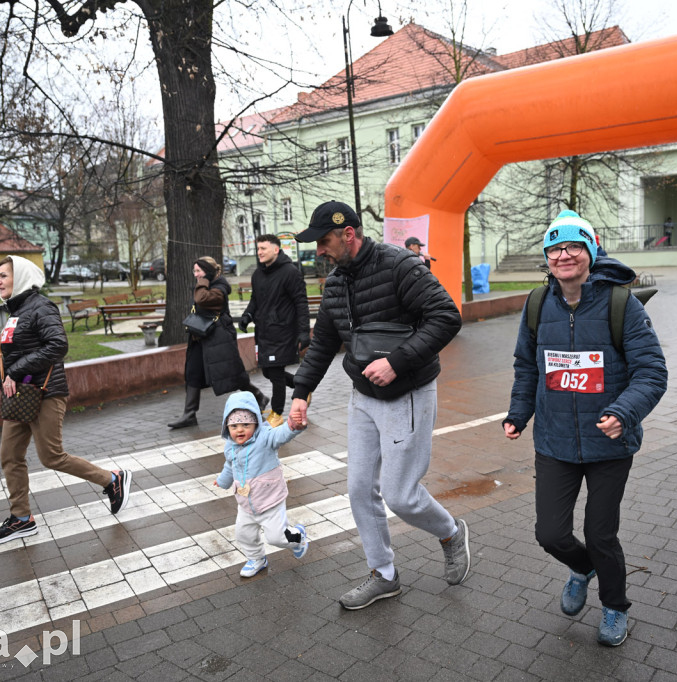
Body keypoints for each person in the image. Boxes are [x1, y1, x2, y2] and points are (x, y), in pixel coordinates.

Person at [288, 200, 471, 610]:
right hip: (363, 398)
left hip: (407, 394)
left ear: (348, 234)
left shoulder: (400, 266)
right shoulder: (335, 284)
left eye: (324, 241)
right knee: (357, 490)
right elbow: (322, 345)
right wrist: (301, 393)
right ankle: (384, 574)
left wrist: (397, 361)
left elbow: (446, 316)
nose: (319, 250)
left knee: (400, 495)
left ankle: (450, 532)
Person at [503, 210, 667, 646]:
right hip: (554, 441)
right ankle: (582, 567)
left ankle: (615, 607)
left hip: (609, 444)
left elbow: (651, 372)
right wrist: (518, 414)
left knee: (600, 532)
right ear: (547, 257)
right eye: (555, 247)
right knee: (550, 533)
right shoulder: (538, 304)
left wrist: (623, 413)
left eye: (574, 245)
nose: (564, 255)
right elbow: (527, 366)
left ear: (590, 251)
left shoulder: (621, 303)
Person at [0, 255, 132, 544]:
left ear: (22, 277)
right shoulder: (15, 310)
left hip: (44, 394)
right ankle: (21, 518)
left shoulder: (41, 306)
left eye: (4, 275)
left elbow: (58, 345)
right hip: (20, 396)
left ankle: (111, 479)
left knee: (51, 456)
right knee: (10, 456)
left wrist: (15, 371)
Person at [214, 391, 310, 577]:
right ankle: (257, 559)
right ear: (227, 427)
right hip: (246, 503)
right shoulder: (230, 446)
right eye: (234, 426)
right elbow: (230, 465)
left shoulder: (265, 437)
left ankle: (298, 536)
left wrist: (293, 426)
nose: (239, 430)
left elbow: (281, 434)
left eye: (245, 424)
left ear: (256, 423)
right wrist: (223, 481)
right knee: (244, 535)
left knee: (278, 538)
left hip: (270, 500)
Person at [168, 256, 269, 429]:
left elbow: (201, 299)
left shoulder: (220, 288)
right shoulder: (206, 285)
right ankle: (189, 414)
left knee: (233, 375)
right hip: (200, 338)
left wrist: (203, 280)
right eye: (194, 271)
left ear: (207, 272)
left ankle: (258, 395)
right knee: (192, 373)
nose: (196, 274)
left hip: (218, 339)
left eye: (199, 271)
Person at [237, 234, 310, 428]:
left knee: (276, 372)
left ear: (276, 250)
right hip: (264, 332)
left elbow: (301, 302)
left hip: (283, 331)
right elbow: (255, 300)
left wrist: (304, 331)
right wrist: (247, 316)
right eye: (258, 249)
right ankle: (302, 388)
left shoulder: (290, 272)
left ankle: (277, 413)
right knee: (268, 372)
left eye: (263, 248)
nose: (259, 252)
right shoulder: (258, 274)